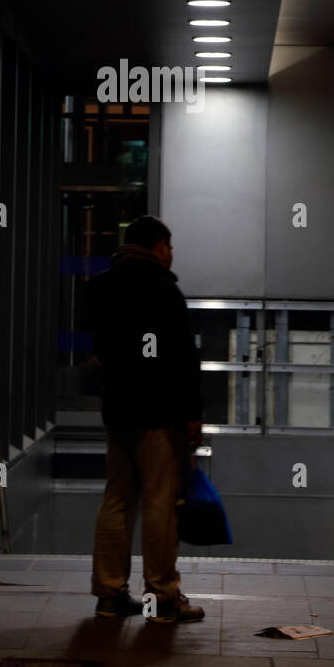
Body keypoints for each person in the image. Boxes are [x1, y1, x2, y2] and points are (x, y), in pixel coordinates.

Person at [83, 215, 205, 623]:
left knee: (117, 499)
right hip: (158, 410)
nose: (171, 256)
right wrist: (193, 413)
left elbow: (97, 351)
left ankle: (109, 594)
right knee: (159, 502)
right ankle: (162, 597)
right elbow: (184, 357)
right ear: (157, 246)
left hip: (119, 410)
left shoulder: (100, 286)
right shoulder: (162, 289)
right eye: (169, 247)